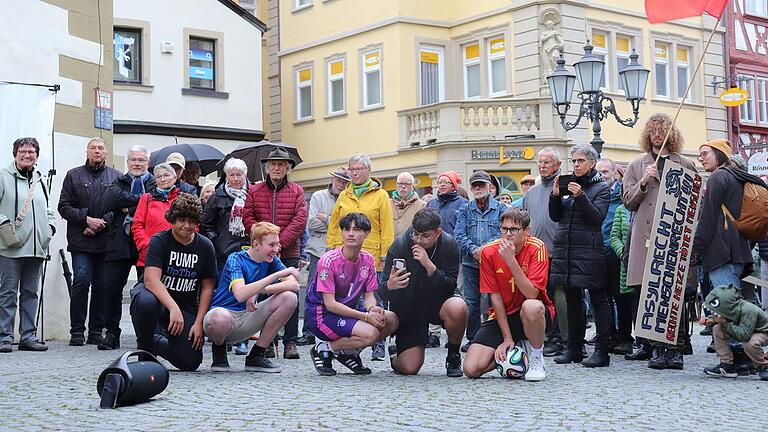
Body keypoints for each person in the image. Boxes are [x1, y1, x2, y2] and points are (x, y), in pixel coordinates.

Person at [623, 113, 696, 367]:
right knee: (649, 293)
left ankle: (675, 348)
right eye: (652, 129)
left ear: (670, 133)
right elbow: (628, 201)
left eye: (661, 128)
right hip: (645, 238)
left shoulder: (684, 163)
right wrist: (643, 182)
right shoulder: (637, 165)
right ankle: (655, 348)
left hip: (672, 238)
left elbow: (693, 203)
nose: (656, 133)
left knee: (672, 291)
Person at [129, 193, 217, 371]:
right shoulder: (159, 241)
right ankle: (145, 349)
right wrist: (172, 308)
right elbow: (151, 280)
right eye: (181, 220)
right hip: (156, 300)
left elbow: (208, 288)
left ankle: (156, 344)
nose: (187, 225)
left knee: (190, 362)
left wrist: (198, 322)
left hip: (186, 305)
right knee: (145, 302)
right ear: (172, 219)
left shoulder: (205, 246)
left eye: (192, 221)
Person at [463, 208, 553, 381]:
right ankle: (518, 349)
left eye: (513, 229)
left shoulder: (537, 247)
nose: (508, 234)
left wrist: (510, 260)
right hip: (502, 316)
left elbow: (532, 294)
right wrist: (507, 338)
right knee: (471, 369)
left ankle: (536, 358)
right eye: (504, 229)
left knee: (531, 307)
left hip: (532, 314)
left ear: (527, 231)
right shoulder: (488, 251)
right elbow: (494, 297)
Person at [307, 213, 398, 376]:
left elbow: (369, 296)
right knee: (371, 334)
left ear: (367, 233)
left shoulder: (368, 260)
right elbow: (330, 304)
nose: (350, 233)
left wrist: (372, 310)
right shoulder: (328, 261)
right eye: (346, 229)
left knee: (390, 320)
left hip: (346, 314)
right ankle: (323, 348)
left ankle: (348, 353)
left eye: (356, 229)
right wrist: (365, 317)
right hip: (323, 316)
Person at [379, 208, 467, 376]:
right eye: (415, 234)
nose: (418, 240)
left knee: (458, 307)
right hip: (410, 308)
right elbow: (382, 294)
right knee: (409, 368)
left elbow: (449, 287)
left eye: (425, 236)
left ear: (437, 232)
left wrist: (429, 266)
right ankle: (394, 353)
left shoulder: (450, 245)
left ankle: (453, 356)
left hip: (438, 302)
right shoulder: (400, 245)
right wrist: (390, 285)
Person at [204, 222, 300, 372]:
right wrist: (276, 275)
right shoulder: (235, 259)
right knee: (220, 318)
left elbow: (294, 285)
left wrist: (259, 290)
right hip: (222, 318)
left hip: (248, 317)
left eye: (277, 244)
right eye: (271, 245)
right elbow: (241, 294)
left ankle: (256, 355)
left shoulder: (271, 259)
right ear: (256, 244)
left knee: (290, 298)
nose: (276, 249)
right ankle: (219, 350)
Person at [326, 154, 394, 361]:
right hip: (343, 256)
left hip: (372, 256)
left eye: (358, 169)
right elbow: (335, 224)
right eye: (351, 169)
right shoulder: (344, 195)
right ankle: (349, 343)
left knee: (373, 300)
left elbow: (387, 227)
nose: (354, 173)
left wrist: (385, 255)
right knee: (347, 300)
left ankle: (378, 344)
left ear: (368, 171)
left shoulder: (381, 195)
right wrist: (331, 249)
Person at [242, 147, 307, 360]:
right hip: (262, 252)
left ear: (287, 168)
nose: (277, 168)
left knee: (290, 294)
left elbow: (300, 221)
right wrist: (265, 241)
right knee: (262, 292)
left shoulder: (297, 190)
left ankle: (290, 342)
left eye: (281, 164)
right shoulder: (254, 190)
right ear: (267, 167)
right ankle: (267, 341)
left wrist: (279, 243)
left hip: (289, 250)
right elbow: (248, 218)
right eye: (273, 164)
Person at [550, 143, 611, 368]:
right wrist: (555, 196)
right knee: (573, 301)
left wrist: (581, 196)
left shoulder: (602, 188)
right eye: (574, 161)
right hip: (567, 251)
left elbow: (597, 218)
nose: (576, 165)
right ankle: (573, 349)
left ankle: (602, 351)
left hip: (590, 252)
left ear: (592, 163)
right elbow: (556, 217)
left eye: (580, 161)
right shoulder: (568, 185)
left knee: (598, 301)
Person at [58, 137, 121, 346]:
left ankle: (95, 331)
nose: (97, 151)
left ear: (106, 153)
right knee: (82, 280)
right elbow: (64, 206)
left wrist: (101, 223)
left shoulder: (116, 177)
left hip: (106, 242)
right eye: (93, 148)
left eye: (101, 148)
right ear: (87, 152)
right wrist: (86, 219)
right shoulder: (73, 175)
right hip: (80, 240)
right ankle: (77, 331)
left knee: (102, 285)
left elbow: (120, 208)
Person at [0, 137, 56, 353]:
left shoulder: (39, 180)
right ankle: (4, 337)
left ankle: (28, 337)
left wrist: (49, 229)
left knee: (31, 293)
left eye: (31, 152)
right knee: (7, 293)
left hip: (36, 248)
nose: (27, 155)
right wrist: (5, 226)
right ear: (15, 154)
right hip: (9, 247)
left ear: (37, 156)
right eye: (22, 151)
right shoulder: (3, 177)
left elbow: (48, 209)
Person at [100, 145, 156, 350]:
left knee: (148, 291)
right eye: (133, 160)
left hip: (147, 244)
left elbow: (154, 203)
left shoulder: (154, 182)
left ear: (148, 163)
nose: (137, 164)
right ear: (128, 162)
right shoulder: (118, 181)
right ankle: (112, 333)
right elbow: (109, 200)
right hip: (119, 242)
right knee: (112, 290)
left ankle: (148, 335)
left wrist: (126, 205)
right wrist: (141, 202)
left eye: (141, 160)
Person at [297, 167, 350, 346]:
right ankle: (307, 331)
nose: (341, 184)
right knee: (313, 291)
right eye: (339, 180)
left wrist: (327, 219)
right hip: (318, 251)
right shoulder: (319, 196)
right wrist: (336, 224)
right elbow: (311, 223)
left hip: (339, 253)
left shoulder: (348, 198)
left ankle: (332, 328)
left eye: (344, 182)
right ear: (333, 180)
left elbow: (347, 226)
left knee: (337, 294)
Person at [454, 170, 505, 351]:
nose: (478, 188)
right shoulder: (465, 209)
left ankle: (494, 336)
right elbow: (459, 234)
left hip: (493, 264)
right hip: (470, 262)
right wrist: (474, 250)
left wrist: (484, 250)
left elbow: (503, 234)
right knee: (472, 302)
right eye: (474, 185)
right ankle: (473, 338)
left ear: (490, 187)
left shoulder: (501, 209)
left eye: (481, 184)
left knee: (494, 300)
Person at [694, 139, 754, 290]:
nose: (701, 159)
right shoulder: (736, 175)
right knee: (733, 306)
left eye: (705, 154)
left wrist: (695, 248)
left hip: (722, 254)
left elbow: (708, 219)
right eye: (699, 155)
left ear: (719, 154)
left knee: (726, 310)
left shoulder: (717, 177)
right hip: (739, 253)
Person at [523, 148, 566, 357]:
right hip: (535, 254)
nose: (542, 166)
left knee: (558, 296)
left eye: (547, 162)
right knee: (539, 295)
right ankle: (544, 335)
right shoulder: (531, 192)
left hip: (559, 251)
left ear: (558, 165)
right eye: (540, 162)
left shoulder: (565, 188)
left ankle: (559, 337)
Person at [426, 171, 468, 347]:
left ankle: (455, 333)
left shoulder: (463, 204)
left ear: (454, 186)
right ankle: (433, 334)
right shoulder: (431, 204)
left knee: (456, 292)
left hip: (454, 256)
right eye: (439, 182)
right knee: (432, 292)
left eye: (446, 182)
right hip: (433, 255)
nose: (441, 185)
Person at [595, 158, 632, 355]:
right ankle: (609, 335)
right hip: (596, 253)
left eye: (606, 172)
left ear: (615, 174)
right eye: (599, 172)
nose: (602, 176)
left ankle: (625, 336)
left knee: (621, 297)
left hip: (616, 254)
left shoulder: (622, 196)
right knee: (602, 298)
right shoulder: (593, 193)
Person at [702, 285, 768, 380]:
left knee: (750, 343)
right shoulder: (731, 308)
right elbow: (723, 312)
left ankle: (763, 366)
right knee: (717, 329)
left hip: (763, 332)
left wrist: (725, 322)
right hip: (748, 331)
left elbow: (744, 336)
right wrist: (711, 320)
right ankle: (727, 364)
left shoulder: (748, 310)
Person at [132, 163, 182, 276]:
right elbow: (137, 224)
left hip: (177, 255)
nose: (163, 179)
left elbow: (192, 224)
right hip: (150, 255)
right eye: (159, 177)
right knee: (148, 291)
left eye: (166, 175)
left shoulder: (181, 198)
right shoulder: (147, 198)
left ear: (174, 178)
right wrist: (145, 246)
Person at [201, 158, 250, 271]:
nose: (235, 179)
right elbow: (206, 224)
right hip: (223, 254)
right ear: (226, 176)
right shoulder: (217, 196)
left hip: (249, 250)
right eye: (232, 175)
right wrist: (216, 242)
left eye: (239, 175)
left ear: (245, 175)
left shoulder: (254, 194)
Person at [391, 172, 426, 238]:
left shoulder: (422, 205)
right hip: (389, 245)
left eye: (407, 184)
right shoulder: (387, 203)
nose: (403, 186)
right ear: (396, 185)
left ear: (413, 186)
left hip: (410, 245)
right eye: (400, 183)